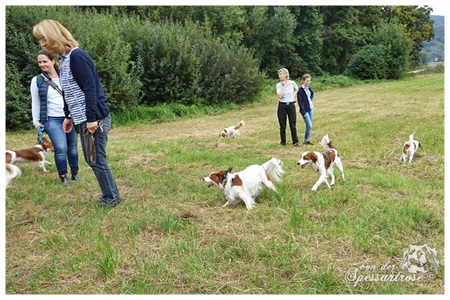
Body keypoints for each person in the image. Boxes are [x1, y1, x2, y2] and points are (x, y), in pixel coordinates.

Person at [33, 19, 121, 207]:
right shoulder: (64, 60)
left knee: (95, 159)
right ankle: (111, 195)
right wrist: (68, 116)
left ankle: (111, 198)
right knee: (93, 159)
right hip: (80, 118)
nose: (42, 45)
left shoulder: (77, 56)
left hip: (94, 118)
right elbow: (71, 91)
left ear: (53, 36)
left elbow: (90, 89)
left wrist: (91, 119)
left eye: (43, 39)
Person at [31, 49, 79, 186]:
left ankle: (75, 173)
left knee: (72, 147)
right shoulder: (37, 81)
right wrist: (37, 122)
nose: (41, 64)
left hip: (69, 117)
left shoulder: (66, 76)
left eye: (44, 61)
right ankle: (63, 176)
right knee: (60, 148)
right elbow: (35, 102)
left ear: (53, 61)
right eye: (39, 62)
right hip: (52, 119)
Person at [276, 68, 299, 146]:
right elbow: (280, 95)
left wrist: (293, 95)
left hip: (291, 105)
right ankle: (283, 142)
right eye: (279, 74)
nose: (280, 76)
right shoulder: (278, 85)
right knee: (282, 125)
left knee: (292, 123)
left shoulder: (292, 83)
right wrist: (284, 86)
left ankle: (295, 141)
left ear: (286, 75)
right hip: (282, 105)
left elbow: (297, 89)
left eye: (281, 74)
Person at [297, 73, 314, 145]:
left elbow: (312, 94)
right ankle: (306, 140)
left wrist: (309, 101)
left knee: (308, 125)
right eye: (307, 81)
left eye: (309, 81)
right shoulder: (300, 90)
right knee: (310, 125)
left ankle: (307, 140)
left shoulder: (309, 88)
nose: (308, 82)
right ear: (303, 81)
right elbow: (300, 102)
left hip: (311, 108)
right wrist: (303, 112)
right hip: (305, 110)